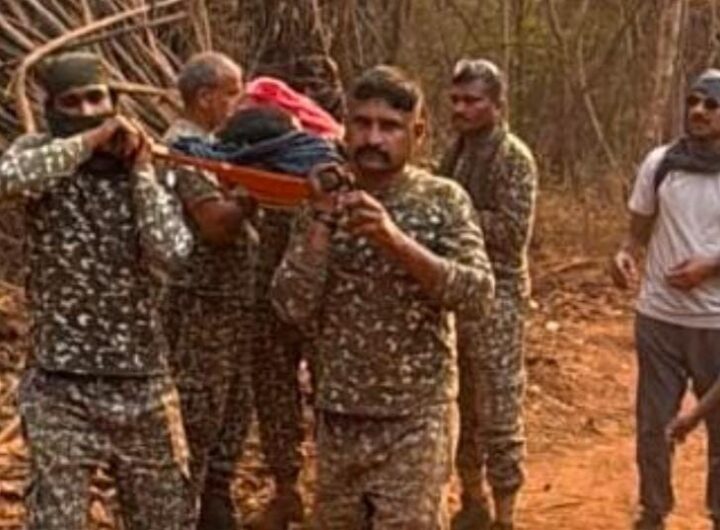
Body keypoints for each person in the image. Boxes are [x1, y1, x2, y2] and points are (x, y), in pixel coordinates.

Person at [271, 65, 495, 530]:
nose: (373, 138)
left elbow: (477, 293)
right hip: (338, 418)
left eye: (390, 126)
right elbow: (290, 306)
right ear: (345, 127)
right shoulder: (322, 200)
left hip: (416, 419)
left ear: (418, 133)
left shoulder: (442, 200)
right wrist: (321, 220)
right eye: (363, 123)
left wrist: (393, 240)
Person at [0, 51, 193, 530]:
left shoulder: (148, 166)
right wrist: (88, 141)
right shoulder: (39, 153)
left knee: (164, 518)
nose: (87, 111)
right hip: (59, 384)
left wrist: (142, 171)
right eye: (72, 102)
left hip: (142, 382)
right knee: (55, 520)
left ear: (114, 101)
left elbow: (172, 251)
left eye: (96, 99)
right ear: (52, 109)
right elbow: (8, 181)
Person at [610, 69, 720, 530]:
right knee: (653, 423)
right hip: (658, 316)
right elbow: (638, 229)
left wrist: (710, 266)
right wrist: (624, 255)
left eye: (711, 104)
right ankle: (653, 511)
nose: (699, 111)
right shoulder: (660, 163)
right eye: (693, 102)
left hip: (715, 321)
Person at [439, 59, 537, 530]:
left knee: (499, 405)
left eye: (472, 101)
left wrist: (453, 215)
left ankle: (505, 514)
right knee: (461, 404)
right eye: (456, 99)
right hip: (456, 292)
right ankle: (472, 499)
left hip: (498, 298)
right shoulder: (456, 151)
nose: (461, 108)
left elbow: (512, 232)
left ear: (497, 105)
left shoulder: (513, 157)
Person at [162, 51, 254, 530]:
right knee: (198, 418)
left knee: (233, 413)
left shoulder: (217, 146)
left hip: (231, 305)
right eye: (232, 92)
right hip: (202, 306)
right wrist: (252, 193)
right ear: (204, 97)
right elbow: (215, 224)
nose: (240, 102)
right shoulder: (183, 151)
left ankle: (215, 509)